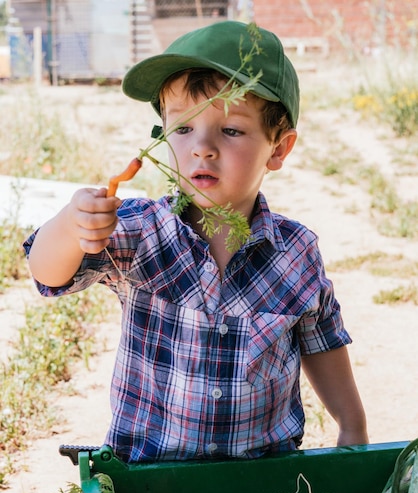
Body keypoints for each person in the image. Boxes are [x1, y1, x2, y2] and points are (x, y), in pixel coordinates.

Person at [24, 21, 369, 463]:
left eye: (231, 131)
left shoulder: (295, 251)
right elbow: (46, 271)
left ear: (279, 149)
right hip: (149, 480)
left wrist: (352, 426)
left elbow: (322, 341)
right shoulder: (139, 231)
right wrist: (72, 226)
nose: (202, 148)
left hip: (262, 490)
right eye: (183, 129)